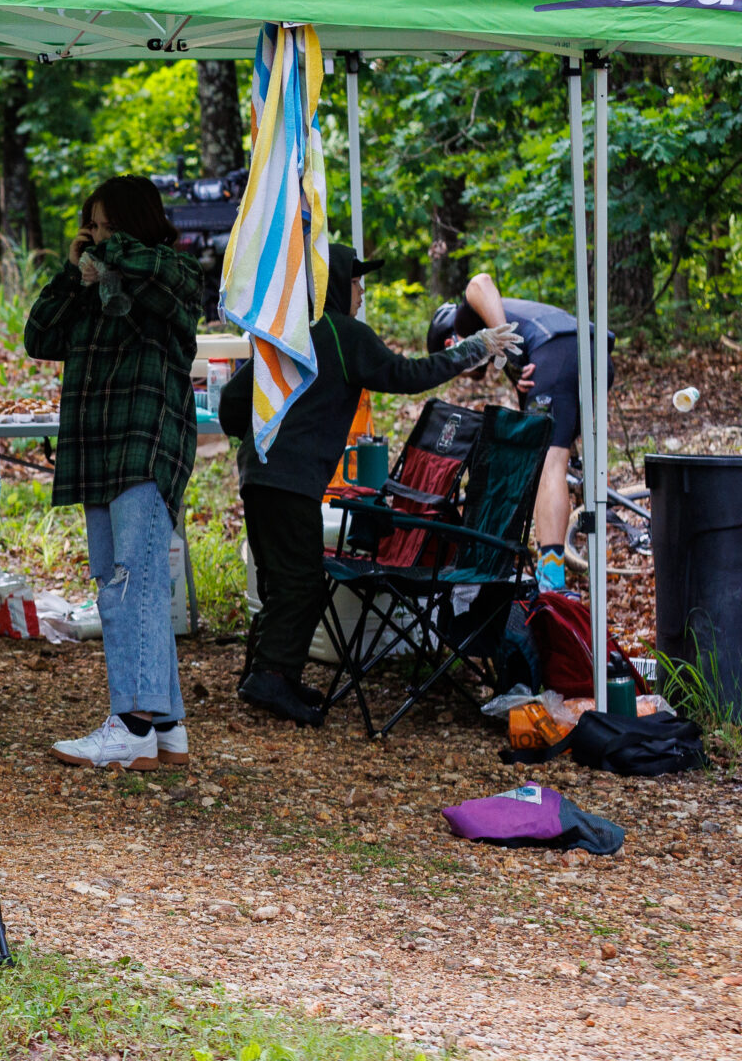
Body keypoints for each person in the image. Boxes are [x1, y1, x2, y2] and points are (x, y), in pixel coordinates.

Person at [223, 247, 518, 725]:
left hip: (258, 476)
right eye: (358, 284)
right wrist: (473, 348)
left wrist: (262, 442)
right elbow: (406, 375)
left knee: (282, 578)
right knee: (299, 582)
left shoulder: (283, 333)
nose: (362, 294)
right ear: (338, 284)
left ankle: (272, 673)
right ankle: (270, 679)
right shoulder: (343, 335)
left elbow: (233, 403)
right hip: (291, 480)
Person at [24, 176, 201, 772]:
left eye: (104, 225)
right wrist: (75, 273)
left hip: (146, 442)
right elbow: (38, 335)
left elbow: (162, 273)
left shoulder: (172, 273)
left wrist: (109, 255)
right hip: (97, 447)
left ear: (130, 225)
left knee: (135, 582)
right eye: (91, 226)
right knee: (116, 581)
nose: (94, 237)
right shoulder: (94, 283)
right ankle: (167, 728)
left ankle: (131, 725)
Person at [428, 274, 607, 592]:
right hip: (593, 349)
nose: (469, 375)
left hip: (558, 348)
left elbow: (479, 283)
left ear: (450, 344)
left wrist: (509, 348)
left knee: (549, 464)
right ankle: (566, 557)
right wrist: (512, 358)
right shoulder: (510, 342)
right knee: (559, 454)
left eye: (457, 368)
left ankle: (552, 579)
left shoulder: (465, 321)